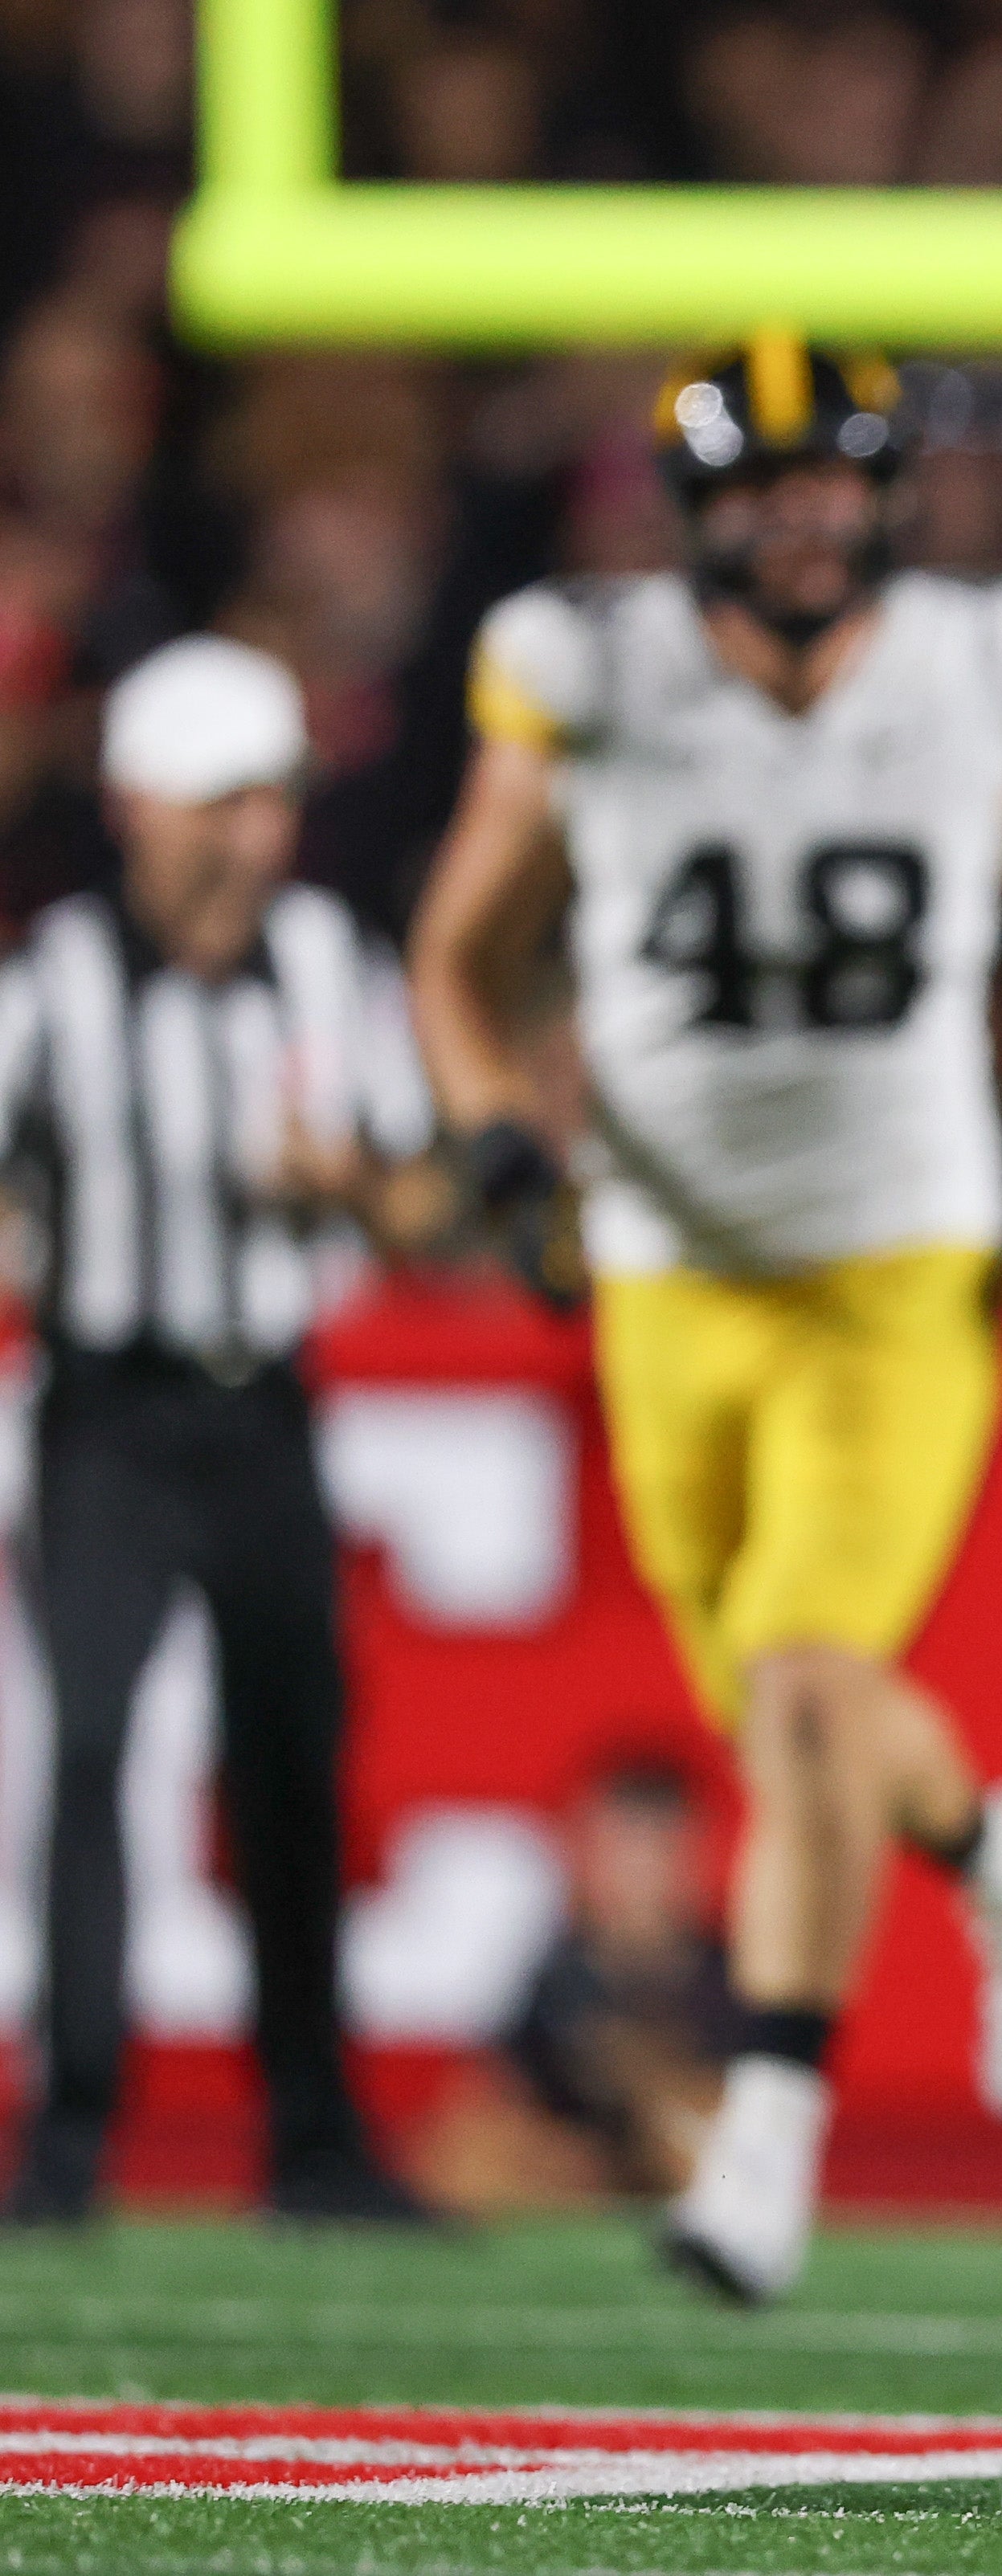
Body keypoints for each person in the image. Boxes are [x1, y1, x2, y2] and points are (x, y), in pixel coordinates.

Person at [404, 336, 1002, 2305]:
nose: (801, 517)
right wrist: (496, 1140)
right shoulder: (588, 667)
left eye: (833, 477)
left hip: (900, 1253)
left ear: (890, 492)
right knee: (794, 1709)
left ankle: (766, 2128)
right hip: (668, 1270)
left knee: (814, 1688)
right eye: (764, 486)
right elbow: (461, 950)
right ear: (695, 513)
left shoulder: (988, 652)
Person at [0, 636, 442, 2227]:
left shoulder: (329, 957)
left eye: (270, 803)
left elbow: (420, 1195)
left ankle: (316, 2134)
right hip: (106, 1407)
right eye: (223, 805)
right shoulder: (53, 979)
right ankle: (69, 2131)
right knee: (97, 1746)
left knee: (287, 1763)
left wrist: (351, 1186)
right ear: (139, 807)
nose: (254, 840)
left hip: (264, 1403)